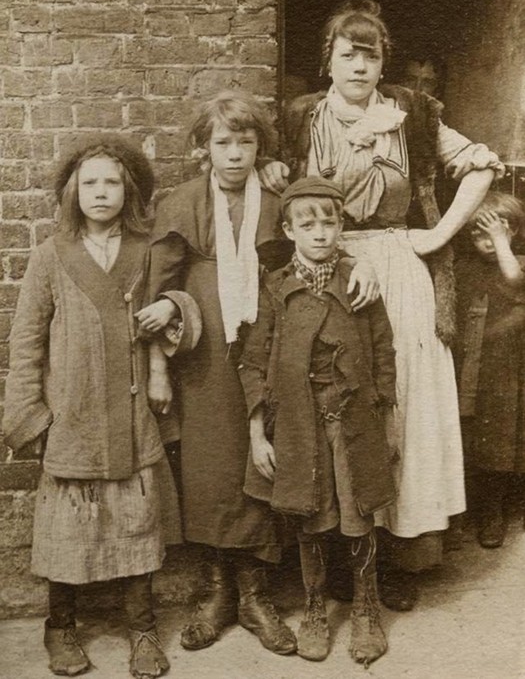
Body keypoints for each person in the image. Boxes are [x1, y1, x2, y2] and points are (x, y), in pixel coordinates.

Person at [260, 0, 503, 610]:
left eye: (371, 57)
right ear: (329, 60)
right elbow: (276, 181)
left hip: (397, 265)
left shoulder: (413, 113)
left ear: (382, 62)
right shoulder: (300, 118)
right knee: (336, 400)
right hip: (326, 263)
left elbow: (481, 167)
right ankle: (338, 556)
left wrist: (436, 235)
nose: (360, 68)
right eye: (349, 55)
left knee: (400, 405)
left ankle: (397, 556)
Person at [1, 138, 191, 679]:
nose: (100, 192)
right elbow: (26, 342)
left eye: (111, 182)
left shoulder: (147, 250)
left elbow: (182, 297)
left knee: (137, 516)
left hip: (130, 414)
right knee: (68, 524)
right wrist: (30, 415)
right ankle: (60, 625)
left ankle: (142, 625)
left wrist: (169, 309)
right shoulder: (50, 255)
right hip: (74, 413)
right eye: (90, 183)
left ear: (127, 189)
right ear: (72, 192)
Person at [136, 90, 297, 657]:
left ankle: (256, 593)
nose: (235, 154)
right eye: (222, 143)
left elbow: (296, 267)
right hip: (200, 354)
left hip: (265, 342)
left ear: (261, 146)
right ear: (204, 148)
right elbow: (157, 291)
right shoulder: (182, 203)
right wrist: (158, 367)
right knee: (209, 466)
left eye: (246, 142)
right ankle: (216, 591)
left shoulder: (277, 199)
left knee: (264, 460)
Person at [238, 178, 396, 666]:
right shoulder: (275, 287)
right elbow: (254, 363)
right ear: (288, 229)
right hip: (298, 421)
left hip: (353, 419)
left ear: (342, 224)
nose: (320, 232)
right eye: (307, 224)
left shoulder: (358, 282)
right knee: (310, 513)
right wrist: (256, 433)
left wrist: (388, 420)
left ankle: (367, 608)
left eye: (329, 221)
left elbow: (383, 353)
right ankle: (314, 608)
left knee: (357, 511)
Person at [455, 191, 525, 549]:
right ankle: (465, 509)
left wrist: (501, 244)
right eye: (477, 233)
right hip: (471, 367)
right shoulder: (463, 268)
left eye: (493, 232)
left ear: (512, 231)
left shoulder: (517, 262)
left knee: (500, 438)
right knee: (469, 436)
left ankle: (493, 511)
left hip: (507, 370)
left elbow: (514, 280)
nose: (484, 241)